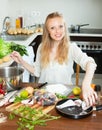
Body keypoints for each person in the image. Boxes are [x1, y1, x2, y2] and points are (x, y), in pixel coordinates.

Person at [10, 12, 97, 106]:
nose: (57, 31)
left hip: (64, 96)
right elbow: (37, 72)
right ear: (47, 31)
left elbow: (91, 63)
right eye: (52, 28)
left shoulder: (71, 48)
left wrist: (86, 84)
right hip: (43, 95)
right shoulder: (41, 47)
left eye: (60, 26)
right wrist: (21, 61)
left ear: (65, 27)